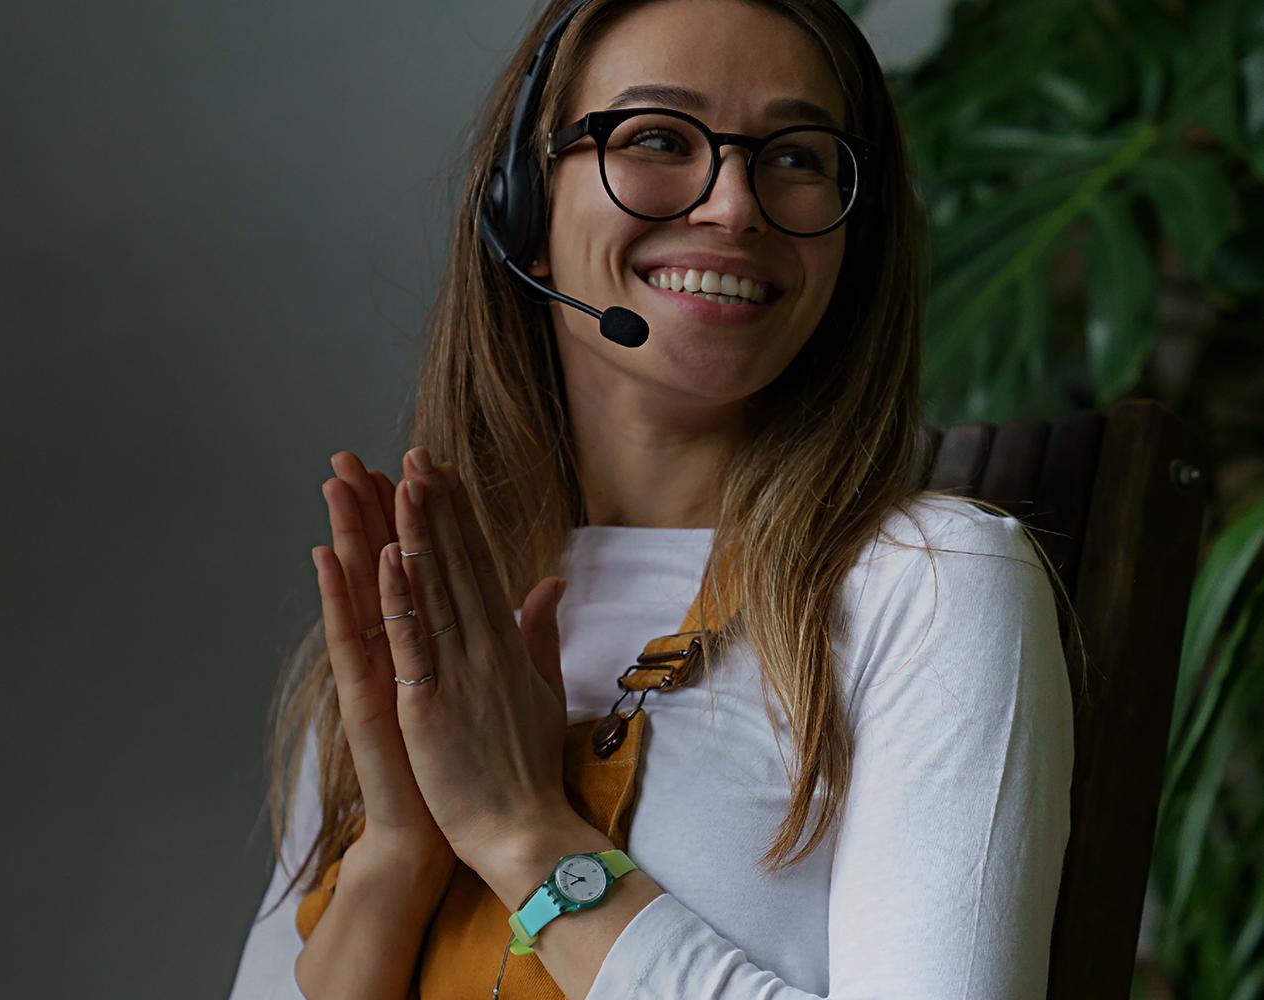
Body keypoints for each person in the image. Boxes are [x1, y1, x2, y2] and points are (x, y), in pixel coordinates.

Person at [229, 0, 1079, 997]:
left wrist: (523, 835)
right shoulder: (424, 612)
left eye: (798, 157)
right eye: (656, 138)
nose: (733, 206)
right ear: (519, 210)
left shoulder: (929, 585)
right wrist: (404, 848)